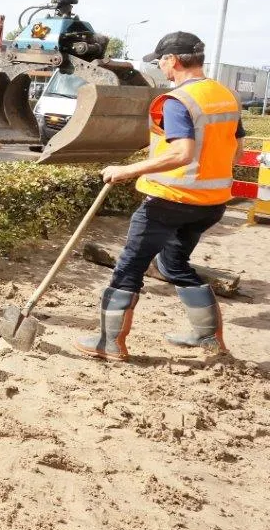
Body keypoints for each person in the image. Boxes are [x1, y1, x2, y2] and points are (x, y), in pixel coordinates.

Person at [76, 31, 245, 361]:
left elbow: (182, 153)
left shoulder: (179, 101)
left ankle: (109, 343)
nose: (160, 67)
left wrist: (128, 170)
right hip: (211, 203)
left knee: (128, 268)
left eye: (161, 61)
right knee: (173, 264)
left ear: (173, 60)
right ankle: (208, 337)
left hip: (169, 201)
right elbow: (236, 150)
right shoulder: (225, 95)